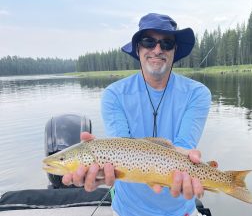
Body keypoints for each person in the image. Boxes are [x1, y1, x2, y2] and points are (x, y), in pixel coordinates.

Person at [62, 13, 211, 216]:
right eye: (149, 41)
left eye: (166, 43)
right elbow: (121, 144)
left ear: (174, 51)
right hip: (127, 211)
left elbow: (184, 145)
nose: (157, 49)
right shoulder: (114, 95)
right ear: (138, 48)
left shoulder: (198, 93)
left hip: (181, 209)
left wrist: (186, 156)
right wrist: (100, 162)